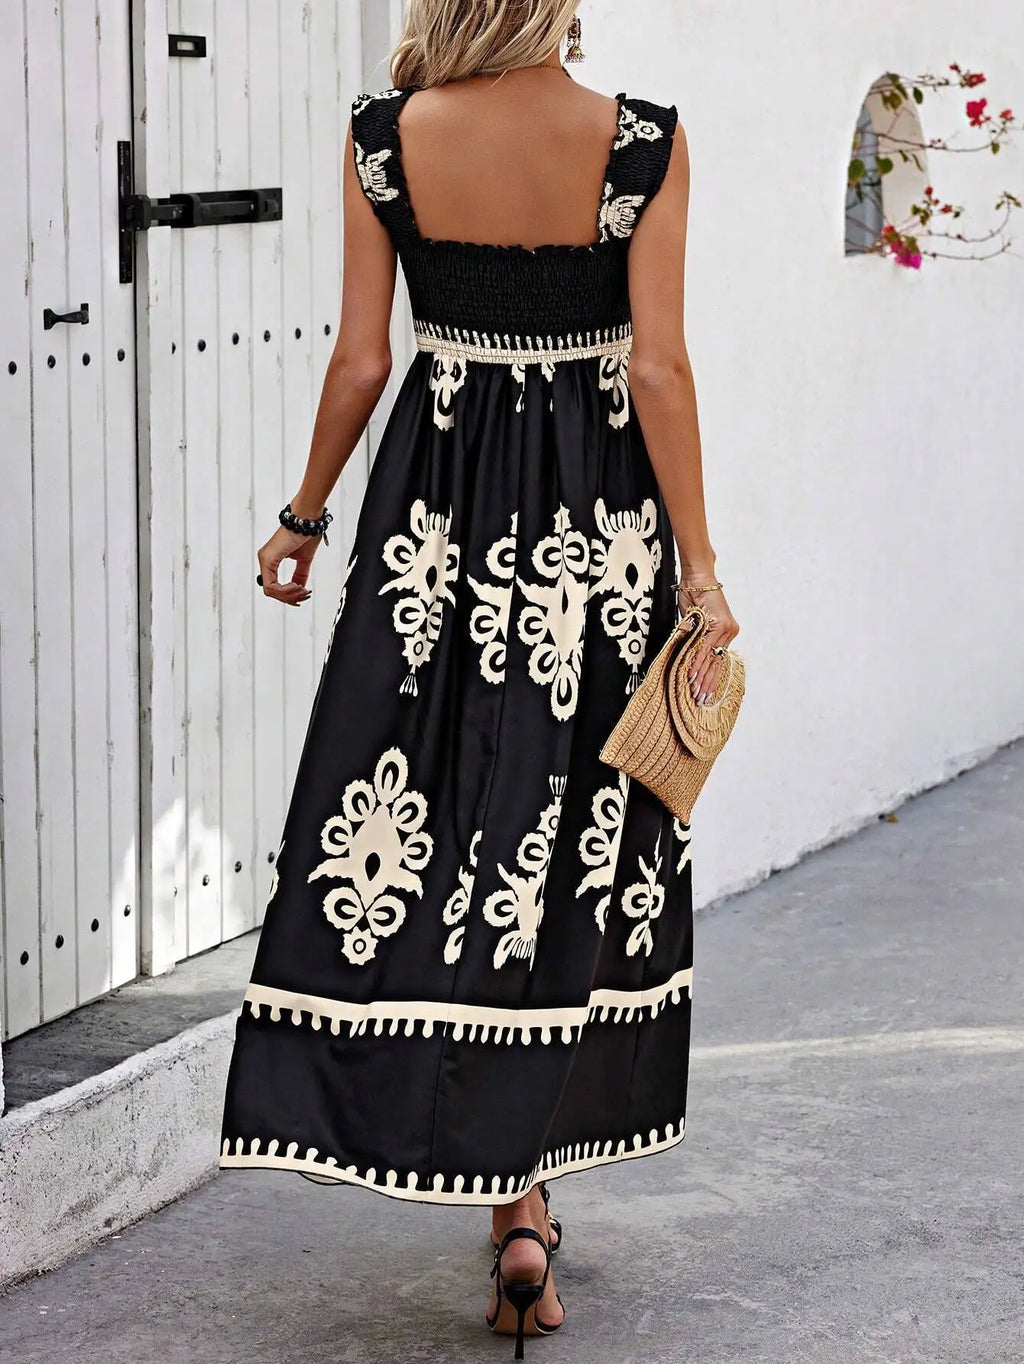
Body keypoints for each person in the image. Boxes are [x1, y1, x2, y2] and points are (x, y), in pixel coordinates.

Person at [219, 1, 740, 1356]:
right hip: (597, 554)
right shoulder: (641, 143)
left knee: (443, 823)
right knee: (564, 835)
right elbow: (663, 369)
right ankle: (524, 1214)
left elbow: (361, 360)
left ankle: (509, 1198)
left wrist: (304, 514)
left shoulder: (385, 141)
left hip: (434, 530)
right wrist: (701, 570)